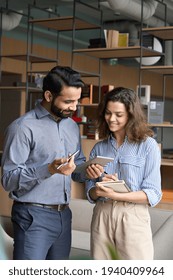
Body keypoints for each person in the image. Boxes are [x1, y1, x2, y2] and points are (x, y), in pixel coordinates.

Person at [1, 66, 103, 260]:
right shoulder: (22, 128)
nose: (74, 107)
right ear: (48, 95)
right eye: (68, 101)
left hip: (64, 215)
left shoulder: (71, 126)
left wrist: (89, 171)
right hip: (32, 215)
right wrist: (47, 169)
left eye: (77, 101)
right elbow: (8, 179)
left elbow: (76, 168)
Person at [85, 87, 162, 260]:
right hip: (102, 214)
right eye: (108, 113)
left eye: (118, 115)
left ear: (131, 115)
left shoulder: (148, 146)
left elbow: (153, 194)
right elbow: (90, 192)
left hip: (132, 215)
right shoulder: (99, 147)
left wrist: (117, 194)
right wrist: (97, 189)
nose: (112, 119)